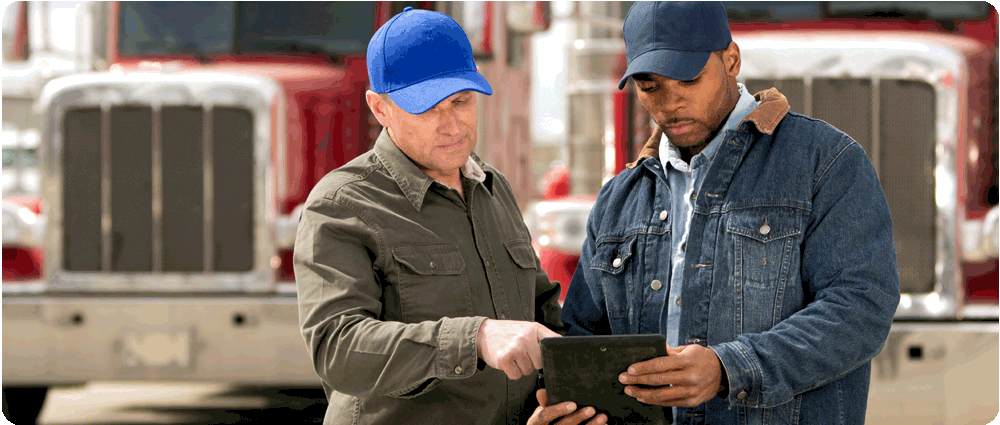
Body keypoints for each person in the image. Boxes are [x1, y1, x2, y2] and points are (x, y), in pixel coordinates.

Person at [535, 2, 901, 424]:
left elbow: (860, 307)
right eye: (650, 86)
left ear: (731, 60)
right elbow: (584, 337)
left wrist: (730, 368)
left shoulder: (825, 162)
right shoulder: (619, 199)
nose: (670, 103)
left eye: (688, 78)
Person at [293, 7, 567, 425]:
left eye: (461, 101)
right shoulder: (342, 204)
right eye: (427, 108)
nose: (451, 124)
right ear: (380, 108)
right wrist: (475, 337)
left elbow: (540, 313)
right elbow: (337, 347)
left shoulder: (494, 188)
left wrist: (558, 397)